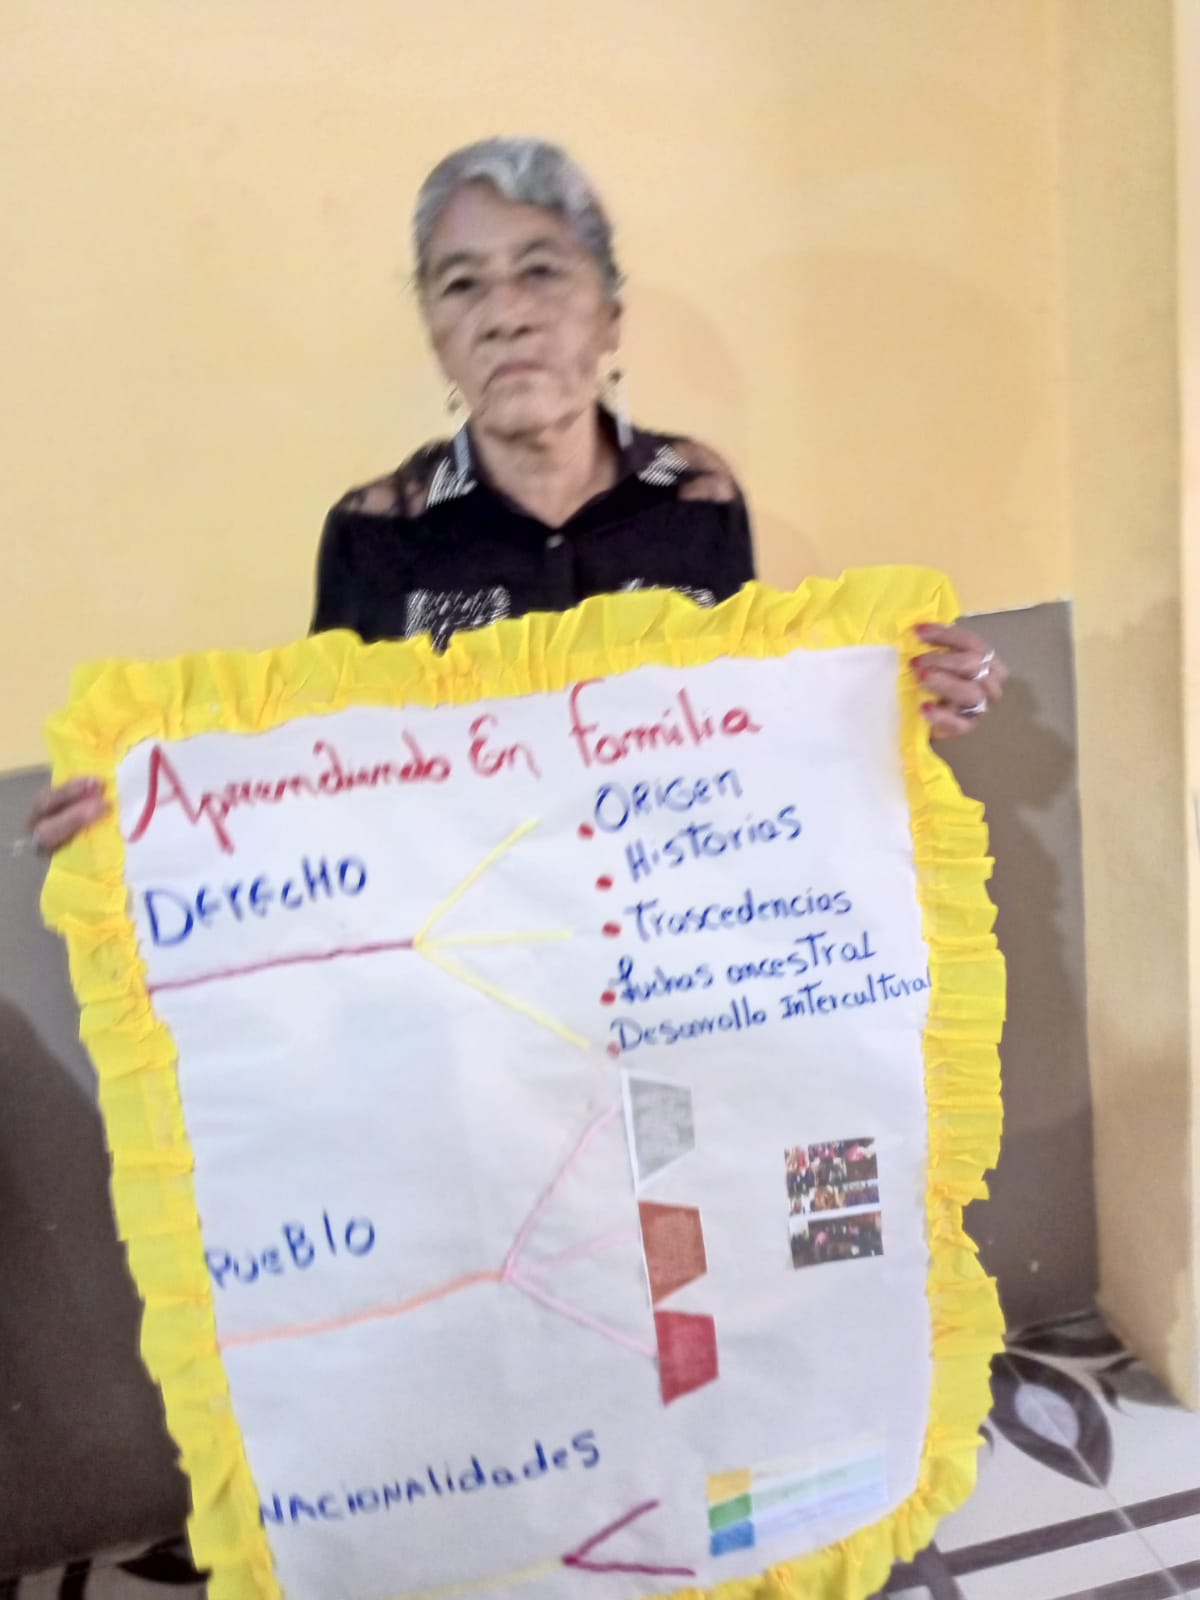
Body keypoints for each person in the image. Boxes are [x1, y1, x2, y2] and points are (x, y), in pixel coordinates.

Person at [26, 136, 1007, 854]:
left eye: (541, 272)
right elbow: (323, 778)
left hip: (671, 955)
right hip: (471, 992)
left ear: (609, 314)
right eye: (461, 286)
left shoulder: (697, 495)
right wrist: (145, 818)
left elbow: (744, 730)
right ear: (433, 332)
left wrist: (898, 701)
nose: (504, 316)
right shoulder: (376, 531)